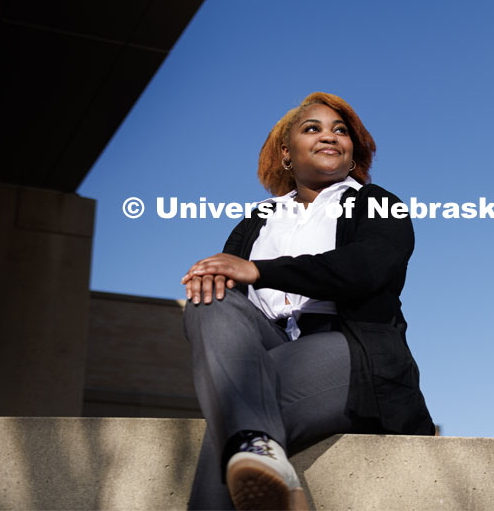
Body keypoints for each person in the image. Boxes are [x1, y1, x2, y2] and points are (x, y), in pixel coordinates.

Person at [181, 92, 435, 510]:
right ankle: (259, 448)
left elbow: (365, 269)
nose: (329, 137)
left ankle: (251, 441)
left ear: (353, 153)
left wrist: (262, 270)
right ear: (286, 152)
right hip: (266, 351)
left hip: (353, 352)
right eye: (312, 128)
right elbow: (228, 290)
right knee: (212, 297)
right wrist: (210, 275)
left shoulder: (376, 203)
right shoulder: (258, 220)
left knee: (232, 427)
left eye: (340, 131)